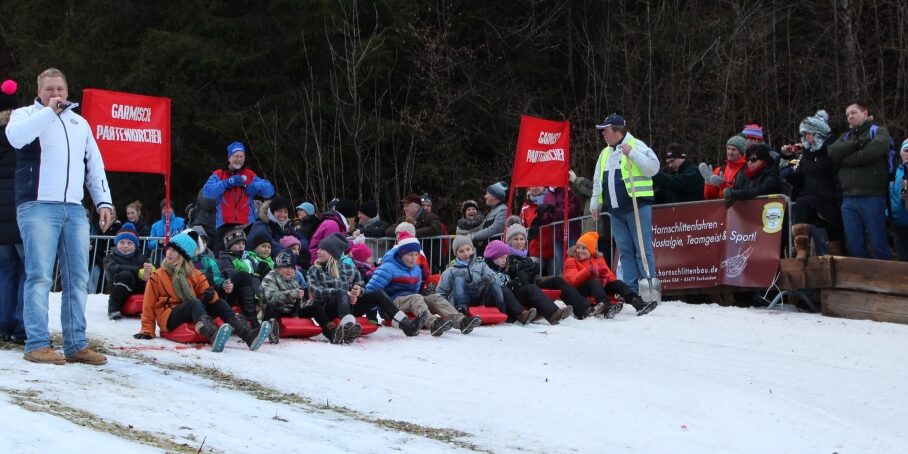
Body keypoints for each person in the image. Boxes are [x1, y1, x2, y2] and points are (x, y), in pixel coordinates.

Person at [5, 68, 112, 365]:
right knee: (38, 276)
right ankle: (36, 343)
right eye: (49, 90)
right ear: (39, 91)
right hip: (37, 205)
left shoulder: (80, 123)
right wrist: (49, 113)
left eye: (60, 90)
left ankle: (76, 343)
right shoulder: (25, 115)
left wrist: (104, 201)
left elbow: (94, 164)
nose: (56, 95)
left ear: (67, 90)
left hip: (74, 209)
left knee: (78, 278)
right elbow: (15, 139)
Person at [134, 230, 271, 352]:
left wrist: (209, 295)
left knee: (220, 303)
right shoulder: (158, 275)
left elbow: (211, 298)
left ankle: (248, 335)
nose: (169, 253)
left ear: (184, 255)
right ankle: (213, 334)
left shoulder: (196, 274)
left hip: (192, 310)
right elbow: (148, 304)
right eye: (169, 249)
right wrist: (147, 330)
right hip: (169, 316)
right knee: (194, 303)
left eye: (174, 251)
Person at [589, 113, 660, 295]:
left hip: (637, 206)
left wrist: (633, 154)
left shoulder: (636, 145)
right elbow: (598, 180)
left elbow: (654, 168)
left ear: (617, 131)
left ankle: (649, 288)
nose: (603, 134)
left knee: (642, 249)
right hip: (615, 210)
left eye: (605, 130)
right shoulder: (605, 153)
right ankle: (630, 290)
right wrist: (595, 204)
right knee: (626, 251)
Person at [307, 234, 424, 342]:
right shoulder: (314, 270)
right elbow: (316, 292)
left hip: (351, 306)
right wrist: (344, 293)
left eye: (322, 249)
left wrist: (357, 292)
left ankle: (406, 324)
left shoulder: (349, 268)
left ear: (333, 252)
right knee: (341, 294)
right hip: (328, 309)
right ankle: (347, 327)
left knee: (378, 293)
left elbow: (362, 287)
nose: (318, 252)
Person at [366, 232, 480, 336]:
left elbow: (415, 291)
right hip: (389, 306)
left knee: (434, 297)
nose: (414, 258)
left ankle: (461, 322)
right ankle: (433, 324)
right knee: (415, 297)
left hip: (409, 302)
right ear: (401, 254)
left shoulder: (416, 269)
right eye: (410, 255)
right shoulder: (387, 267)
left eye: (416, 255)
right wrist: (372, 317)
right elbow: (372, 291)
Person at [828, 102, 893, 260]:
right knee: (854, 244)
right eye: (847, 114)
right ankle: (862, 281)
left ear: (865, 113)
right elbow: (831, 151)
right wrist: (857, 144)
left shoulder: (879, 132)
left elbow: (873, 152)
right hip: (848, 199)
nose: (850, 116)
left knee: (878, 242)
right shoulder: (846, 136)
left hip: (872, 196)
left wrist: (846, 159)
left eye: (854, 112)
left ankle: (885, 280)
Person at [782, 110, 844, 258]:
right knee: (801, 204)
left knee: (834, 232)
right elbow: (800, 178)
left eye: (807, 134)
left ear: (817, 134)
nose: (804, 137)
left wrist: (839, 200)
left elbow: (837, 177)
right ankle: (801, 248)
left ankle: (838, 255)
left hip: (828, 198)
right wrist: (788, 171)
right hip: (810, 197)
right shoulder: (807, 155)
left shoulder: (830, 152)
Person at [563, 231, 655, 316]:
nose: (580, 250)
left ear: (591, 250)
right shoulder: (571, 260)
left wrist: (605, 278)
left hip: (598, 288)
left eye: (584, 248)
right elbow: (572, 282)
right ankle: (607, 307)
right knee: (594, 282)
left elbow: (609, 276)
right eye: (578, 247)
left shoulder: (598, 258)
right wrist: (588, 270)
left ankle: (637, 302)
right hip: (580, 290)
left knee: (617, 283)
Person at [202, 141, 275, 244]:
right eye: (236, 156)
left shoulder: (249, 175)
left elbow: (270, 191)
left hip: (247, 225)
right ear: (229, 158)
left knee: (245, 257)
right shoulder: (219, 174)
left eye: (242, 157)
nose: (239, 159)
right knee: (223, 256)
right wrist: (227, 183)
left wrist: (256, 186)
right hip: (225, 225)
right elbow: (207, 192)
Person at [483, 240, 572, 324]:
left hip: (510, 298)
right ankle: (521, 314)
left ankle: (553, 313)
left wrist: (516, 283)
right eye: (501, 257)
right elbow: (489, 285)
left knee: (530, 288)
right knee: (504, 289)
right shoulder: (484, 268)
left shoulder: (502, 269)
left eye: (505, 258)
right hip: (496, 299)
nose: (504, 261)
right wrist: (511, 285)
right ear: (493, 256)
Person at [0, 77, 25, 344]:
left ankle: (3, 323)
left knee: (5, 270)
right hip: (19, 212)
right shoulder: (22, 135)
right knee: (28, 270)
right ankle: (22, 326)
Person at [102, 223, 154, 320]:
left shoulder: (142, 258)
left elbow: (151, 268)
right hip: (118, 289)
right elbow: (112, 268)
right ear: (117, 244)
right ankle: (113, 308)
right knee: (126, 275)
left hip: (137, 287)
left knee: (153, 279)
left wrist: (149, 270)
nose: (125, 246)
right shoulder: (110, 258)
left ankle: (154, 308)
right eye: (122, 242)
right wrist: (137, 270)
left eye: (129, 243)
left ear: (135, 245)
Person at [701, 136, 747, 201]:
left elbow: (741, 194)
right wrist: (708, 184)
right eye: (728, 148)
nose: (730, 152)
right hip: (721, 209)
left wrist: (723, 185)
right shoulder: (719, 170)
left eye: (734, 149)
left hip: (740, 209)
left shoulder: (747, 170)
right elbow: (709, 198)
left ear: (741, 153)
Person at [466, 182, 509, 247]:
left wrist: (477, 237)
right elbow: (484, 228)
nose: (485, 196)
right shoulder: (493, 210)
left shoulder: (503, 210)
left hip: (495, 250)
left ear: (495, 197)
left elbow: (496, 228)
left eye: (487, 194)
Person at [889, 140, 908, 261]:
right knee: (903, 260)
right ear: (901, 153)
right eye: (906, 151)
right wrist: (888, 214)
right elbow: (889, 195)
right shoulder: (895, 172)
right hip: (898, 224)